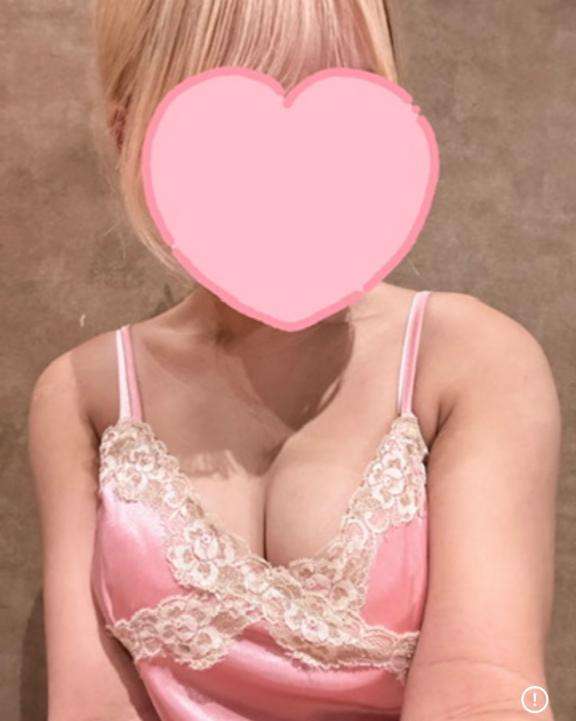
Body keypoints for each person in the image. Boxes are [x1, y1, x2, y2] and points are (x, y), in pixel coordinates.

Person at [28, 2, 561, 720]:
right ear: (130, 138)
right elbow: (88, 704)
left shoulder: (472, 361)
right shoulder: (82, 395)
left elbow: (490, 690)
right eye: (223, 134)